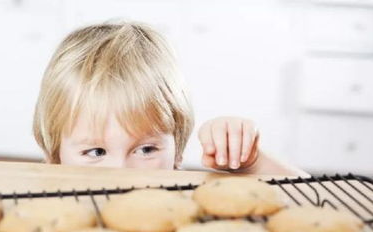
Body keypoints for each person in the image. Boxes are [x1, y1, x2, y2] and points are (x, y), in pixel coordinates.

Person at [33, 22, 267, 173]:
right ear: (55, 157)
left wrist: (251, 162)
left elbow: (302, 199)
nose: (122, 173)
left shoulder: (182, 202)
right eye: (97, 152)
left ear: (177, 149)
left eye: (146, 150)